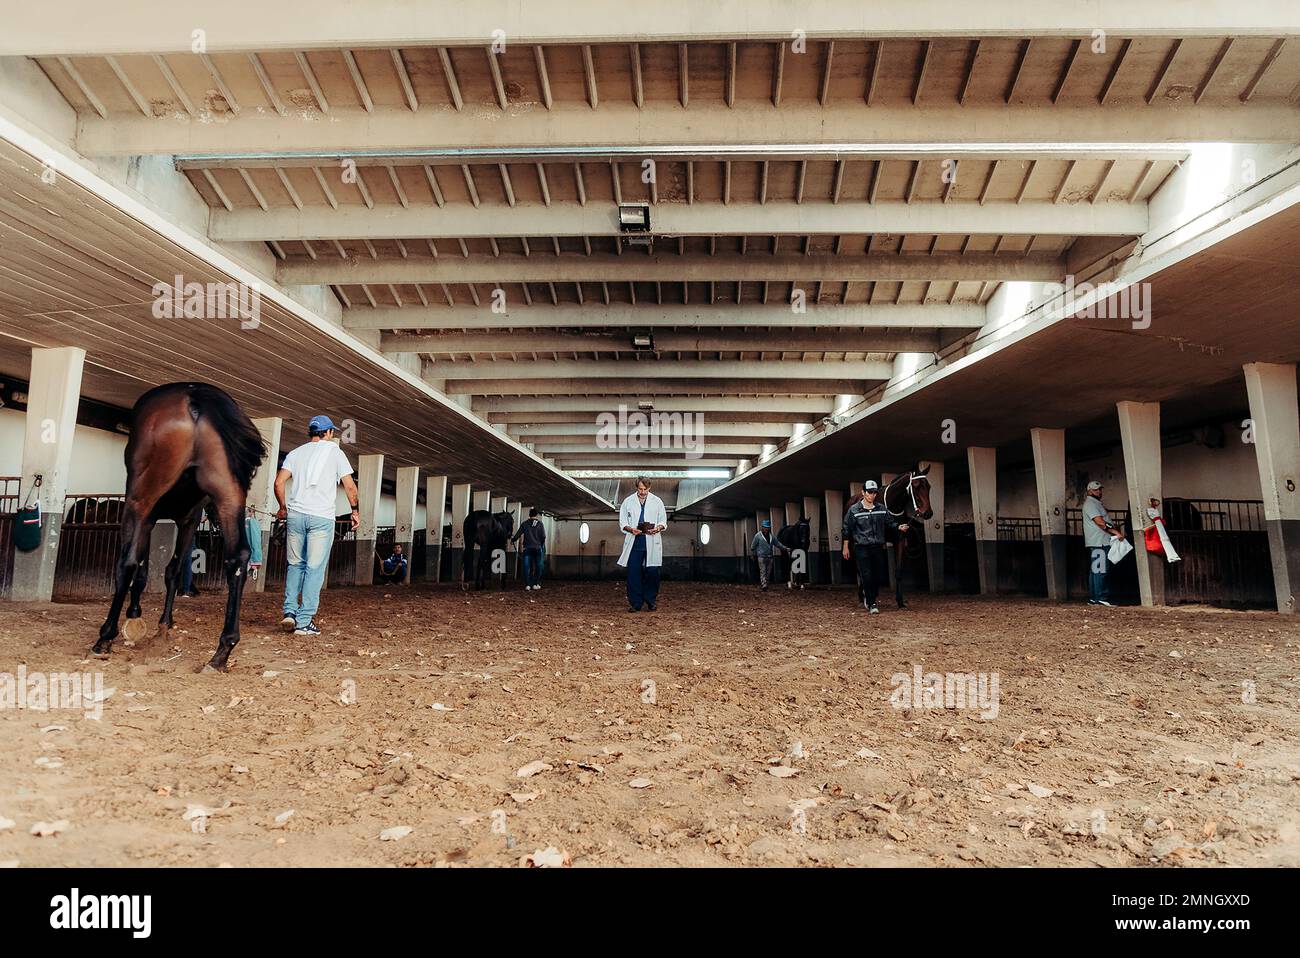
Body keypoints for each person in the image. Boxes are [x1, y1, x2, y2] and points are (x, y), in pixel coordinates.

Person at [274, 415, 359, 636]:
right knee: (314, 569)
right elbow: (350, 487)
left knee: (295, 565)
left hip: (296, 516)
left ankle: (289, 612)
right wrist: (355, 511)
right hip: (321, 518)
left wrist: (283, 507)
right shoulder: (336, 452)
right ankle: (304, 622)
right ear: (329, 433)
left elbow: (279, 482)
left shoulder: (295, 453)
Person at [841, 480, 909, 614]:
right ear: (863, 493)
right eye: (869, 492)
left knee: (877, 576)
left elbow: (890, 523)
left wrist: (899, 527)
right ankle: (872, 603)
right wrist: (846, 546)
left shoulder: (881, 509)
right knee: (866, 575)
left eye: (874, 492)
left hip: (877, 547)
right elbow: (846, 529)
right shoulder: (854, 510)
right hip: (862, 548)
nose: (872, 495)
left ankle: (871, 594)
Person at [617, 476, 667, 612]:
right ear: (636, 488)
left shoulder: (657, 501)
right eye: (640, 489)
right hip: (635, 541)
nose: (643, 492)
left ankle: (650, 600)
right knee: (634, 572)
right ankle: (636, 603)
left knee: (653, 572)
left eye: (645, 489)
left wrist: (658, 528)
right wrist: (631, 529)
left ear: (649, 488)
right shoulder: (628, 501)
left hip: (652, 540)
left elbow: (663, 521)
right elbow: (622, 522)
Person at [1082, 479, 1125, 606]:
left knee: (1095, 570)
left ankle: (1095, 597)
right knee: (1100, 569)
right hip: (1099, 541)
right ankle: (1101, 597)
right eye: (1096, 490)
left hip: (1097, 541)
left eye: (1100, 489)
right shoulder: (1091, 504)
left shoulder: (1094, 503)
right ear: (1089, 491)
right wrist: (1115, 532)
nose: (1099, 491)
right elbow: (1100, 522)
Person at [511, 508, 547, 590]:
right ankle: (536, 583)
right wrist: (540, 545)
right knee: (538, 566)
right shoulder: (540, 524)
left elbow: (518, 534)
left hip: (527, 548)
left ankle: (527, 584)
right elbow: (543, 536)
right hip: (537, 548)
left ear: (529, 515)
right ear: (536, 515)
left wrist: (513, 540)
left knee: (526, 566)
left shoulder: (525, 523)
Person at [750, 519, 789, 591]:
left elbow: (778, 544)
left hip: (770, 556)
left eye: (768, 527)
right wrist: (752, 555)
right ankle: (764, 585)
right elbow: (753, 546)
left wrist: (785, 548)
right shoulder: (757, 536)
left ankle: (766, 584)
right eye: (765, 527)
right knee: (763, 571)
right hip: (761, 556)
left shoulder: (772, 536)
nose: (767, 529)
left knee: (768, 572)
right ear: (762, 527)